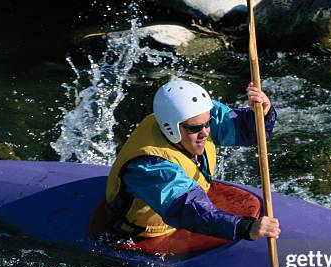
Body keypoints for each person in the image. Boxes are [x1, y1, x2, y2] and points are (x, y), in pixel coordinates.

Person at [105, 79, 280, 242]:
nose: (205, 133)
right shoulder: (149, 166)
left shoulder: (195, 116)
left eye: (207, 123)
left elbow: (245, 130)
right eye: (195, 128)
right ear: (170, 128)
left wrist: (262, 114)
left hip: (192, 206)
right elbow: (188, 209)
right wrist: (244, 228)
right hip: (143, 234)